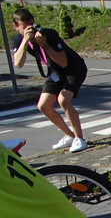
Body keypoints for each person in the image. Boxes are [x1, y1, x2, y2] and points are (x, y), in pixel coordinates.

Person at [11, 8, 88, 153]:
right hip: (55, 72)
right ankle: (70, 136)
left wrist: (44, 45)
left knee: (63, 100)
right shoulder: (18, 40)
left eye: (31, 26)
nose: (29, 30)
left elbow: (63, 62)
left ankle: (80, 139)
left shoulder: (49, 34)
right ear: (16, 27)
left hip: (74, 69)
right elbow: (18, 63)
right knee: (43, 105)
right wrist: (25, 41)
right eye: (25, 27)